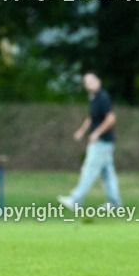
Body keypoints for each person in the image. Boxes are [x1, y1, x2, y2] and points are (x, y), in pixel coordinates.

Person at [57, 72, 123, 210]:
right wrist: (82, 131)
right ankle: (115, 203)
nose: (89, 83)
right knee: (107, 173)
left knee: (89, 169)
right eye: (86, 82)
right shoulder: (93, 98)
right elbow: (91, 118)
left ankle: (75, 200)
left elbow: (111, 119)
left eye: (91, 80)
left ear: (98, 81)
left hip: (102, 142)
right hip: (102, 143)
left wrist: (97, 133)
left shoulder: (103, 97)